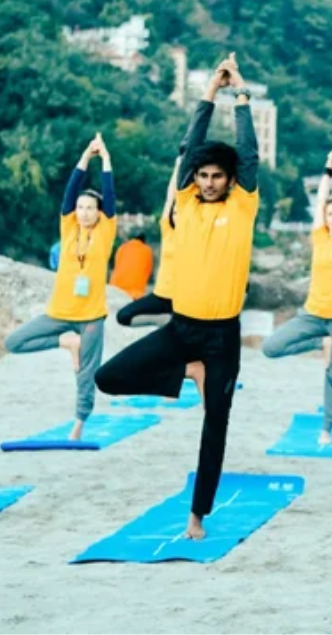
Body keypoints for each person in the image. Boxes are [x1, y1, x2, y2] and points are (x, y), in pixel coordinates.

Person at [94, 52, 258, 541]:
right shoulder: (185, 201)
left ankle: (197, 516)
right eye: (203, 176)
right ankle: (187, 373)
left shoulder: (244, 205)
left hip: (222, 336)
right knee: (108, 377)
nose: (208, 182)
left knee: (215, 426)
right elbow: (189, 149)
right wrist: (208, 92)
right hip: (182, 331)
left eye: (216, 177)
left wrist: (241, 95)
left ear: (229, 181)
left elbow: (248, 154)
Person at [4, 134, 117, 441]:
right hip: (60, 313)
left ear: (99, 212)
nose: (83, 212)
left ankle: (79, 424)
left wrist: (105, 160)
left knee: (86, 374)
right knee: (14, 342)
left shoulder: (106, 231)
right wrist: (84, 157)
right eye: (80, 208)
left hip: (92, 315)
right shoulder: (68, 228)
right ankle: (66, 343)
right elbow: (69, 193)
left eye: (90, 208)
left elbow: (109, 192)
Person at [261, 143, 332, 445]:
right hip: (313, 315)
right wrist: (327, 168)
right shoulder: (320, 237)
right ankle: (321, 342)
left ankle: (326, 430)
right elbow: (321, 198)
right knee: (271, 347)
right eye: (331, 213)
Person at [116, 158, 181, 327]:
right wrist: (178, 166)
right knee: (124, 316)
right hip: (161, 295)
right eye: (174, 212)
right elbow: (169, 198)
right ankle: (165, 321)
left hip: (183, 299)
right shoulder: (168, 231)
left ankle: (174, 323)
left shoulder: (196, 235)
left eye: (180, 212)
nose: (176, 215)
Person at [110, 235, 154, 300]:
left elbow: (116, 264)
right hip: (135, 292)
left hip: (115, 288)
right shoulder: (147, 250)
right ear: (144, 241)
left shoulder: (122, 248)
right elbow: (148, 270)